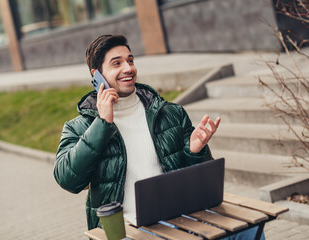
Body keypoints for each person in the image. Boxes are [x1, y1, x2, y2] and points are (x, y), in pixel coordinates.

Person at [53, 34, 264, 239]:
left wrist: (195, 151)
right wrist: (102, 124)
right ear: (96, 75)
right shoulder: (79, 127)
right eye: (116, 64)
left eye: (130, 61)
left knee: (250, 231)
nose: (128, 68)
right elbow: (68, 179)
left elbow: (203, 185)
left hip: (180, 218)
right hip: (127, 230)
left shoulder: (170, 113)